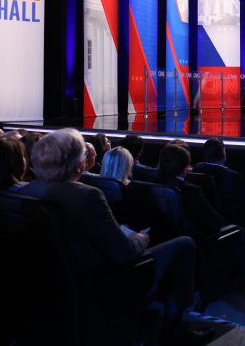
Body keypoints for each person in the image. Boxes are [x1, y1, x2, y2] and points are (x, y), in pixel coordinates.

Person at [18, 129, 198, 338]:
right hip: (103, 280)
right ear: (78, 165)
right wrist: (140, 240)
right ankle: (176, 331)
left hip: (54, 281)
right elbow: (123, 254)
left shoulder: (26, 190)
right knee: (184, 244)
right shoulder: (88, 195)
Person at [156, 144, 245, 281]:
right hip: (197, 243)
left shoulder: (152, 183)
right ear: (185, 168)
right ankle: (242, 281)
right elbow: (215, 223)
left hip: (164, 239)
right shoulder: (191, 190)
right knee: (240, 231)